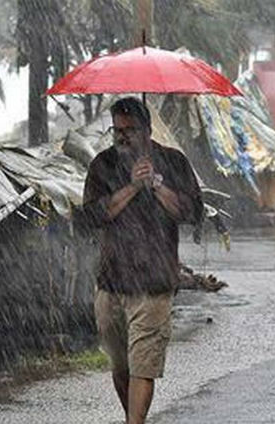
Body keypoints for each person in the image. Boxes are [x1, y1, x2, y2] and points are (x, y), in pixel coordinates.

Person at [82, 97, 203, 424]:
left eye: (130, 130)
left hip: (153, 284)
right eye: (117, 130)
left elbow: (192, 212)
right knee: (121, 368)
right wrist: (133, 187)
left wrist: (158, 186)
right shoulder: (103, 165)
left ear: (148, 131)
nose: (122, 137)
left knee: (143, 367)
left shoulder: (173, 162)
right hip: (111, 283)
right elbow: (91, 217)